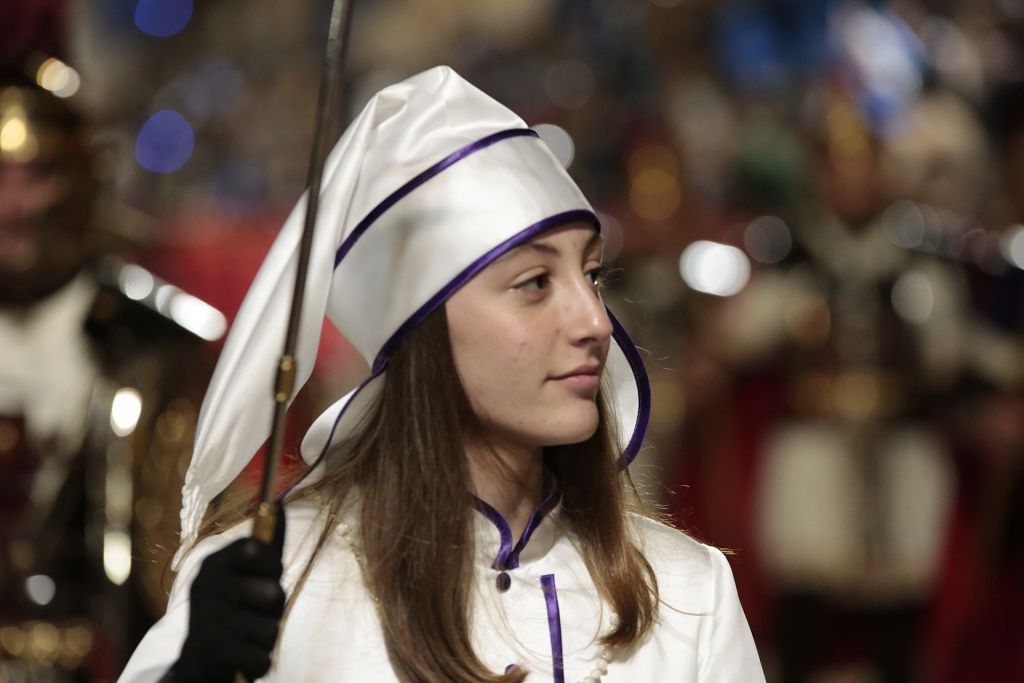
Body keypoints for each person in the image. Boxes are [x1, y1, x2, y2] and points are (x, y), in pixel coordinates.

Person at [118, 66, 763, 682]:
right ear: (422, 330)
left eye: (591, 274)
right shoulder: (277, 585)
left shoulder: (686, 591)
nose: (595, 321)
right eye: (535, 282)